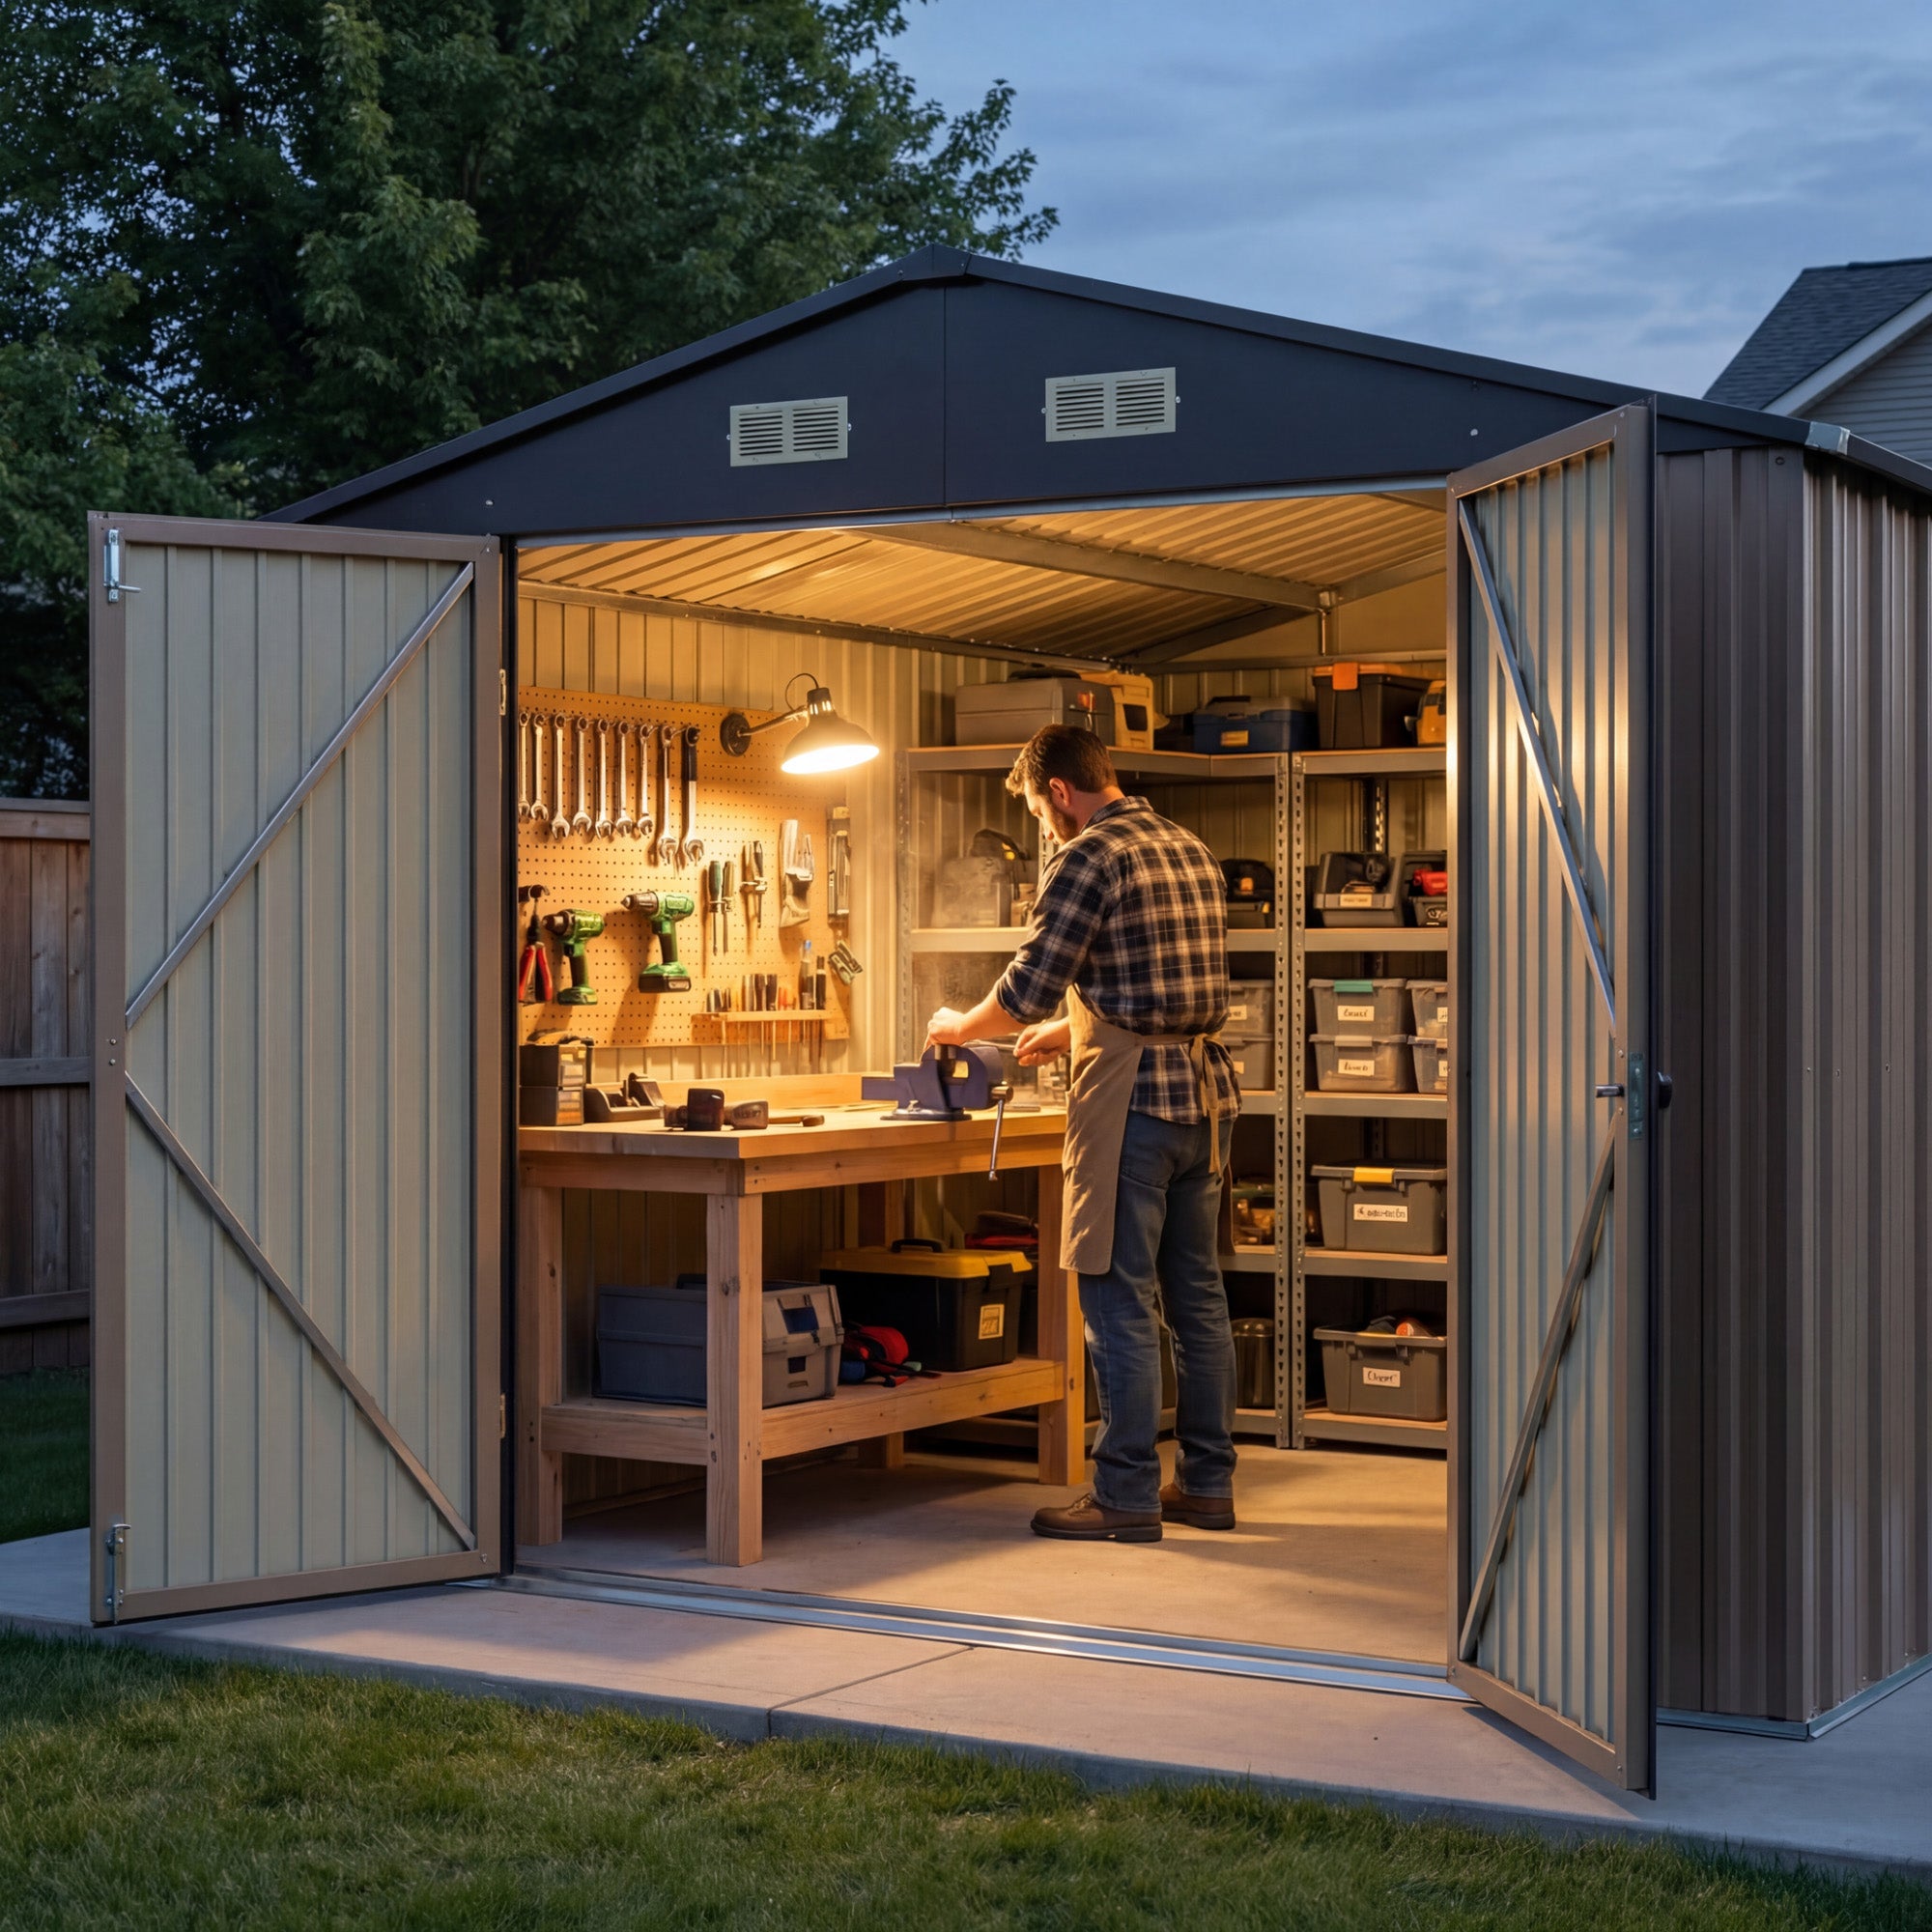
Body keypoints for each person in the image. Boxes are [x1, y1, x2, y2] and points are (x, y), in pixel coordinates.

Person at [924, 724, 1240, 1543]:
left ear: (1059, 792)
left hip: (1133, 1106)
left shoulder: (1089, 854)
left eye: (1036, 808)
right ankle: (1207, 1486)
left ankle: (1126, 1497)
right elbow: (1167, 979)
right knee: (1198, 1303)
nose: (1040, 824)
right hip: (1202, 1103)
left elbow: (1028, 985)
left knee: (1116, 1300)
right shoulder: (1185, 845)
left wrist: (961, 1025)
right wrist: (1075, 1031)